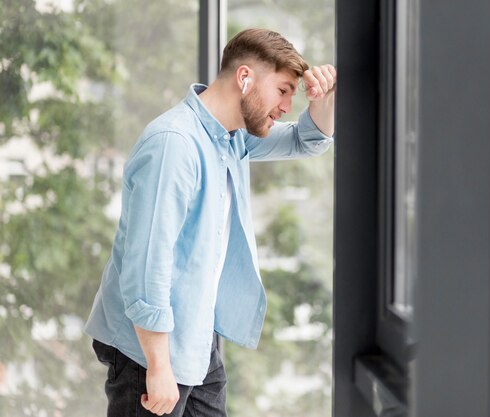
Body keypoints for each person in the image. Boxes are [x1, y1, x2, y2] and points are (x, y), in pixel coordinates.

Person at [84, 28, 336, 417]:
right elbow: (147, 267)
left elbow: (307, 140)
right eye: (284, 90)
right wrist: (159, 366)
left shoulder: (231, 138)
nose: (287, 106)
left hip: (198, 339)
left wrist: (326, 99)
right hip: (148, 351)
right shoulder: (175, 144)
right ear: (245, 77)